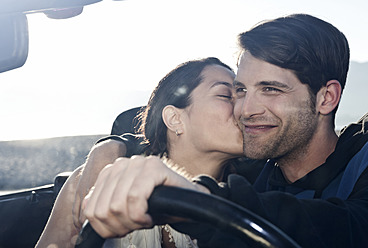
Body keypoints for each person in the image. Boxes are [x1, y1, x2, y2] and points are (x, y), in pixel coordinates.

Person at [82, 14, 368, 247]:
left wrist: (199, 201)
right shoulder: (252, 168)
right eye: (240, 90)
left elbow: (352, 226)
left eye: (270, 89)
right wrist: (111, 149)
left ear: (326, 97)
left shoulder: (361, 162)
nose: (244, 110)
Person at [35, 57, 245, 248]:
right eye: (226, 95)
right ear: (175, 119)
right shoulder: (93, 179)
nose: (244, 108)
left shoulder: (255, 195)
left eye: (242, 94)